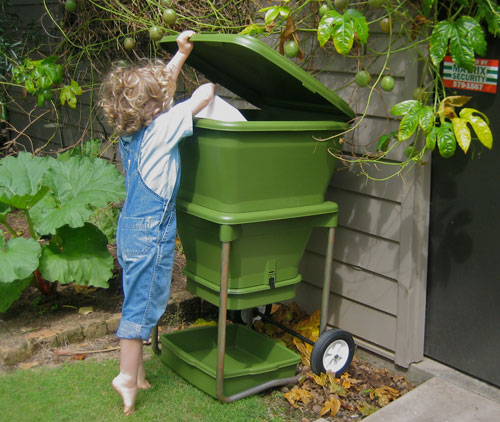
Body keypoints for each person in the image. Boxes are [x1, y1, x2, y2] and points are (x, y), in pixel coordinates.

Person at [99, 30, 215, 415]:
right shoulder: (162, 131)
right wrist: (210, 81)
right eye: (158, 97)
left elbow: (161, 91)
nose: (165, 97)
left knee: (138, 298)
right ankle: (126, 377)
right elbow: (203, 96)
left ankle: (139, 371)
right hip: (151, 235)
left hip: (131, 229)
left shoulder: (129, 133)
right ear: (154, 109)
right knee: (143, 307)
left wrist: (180, 55)